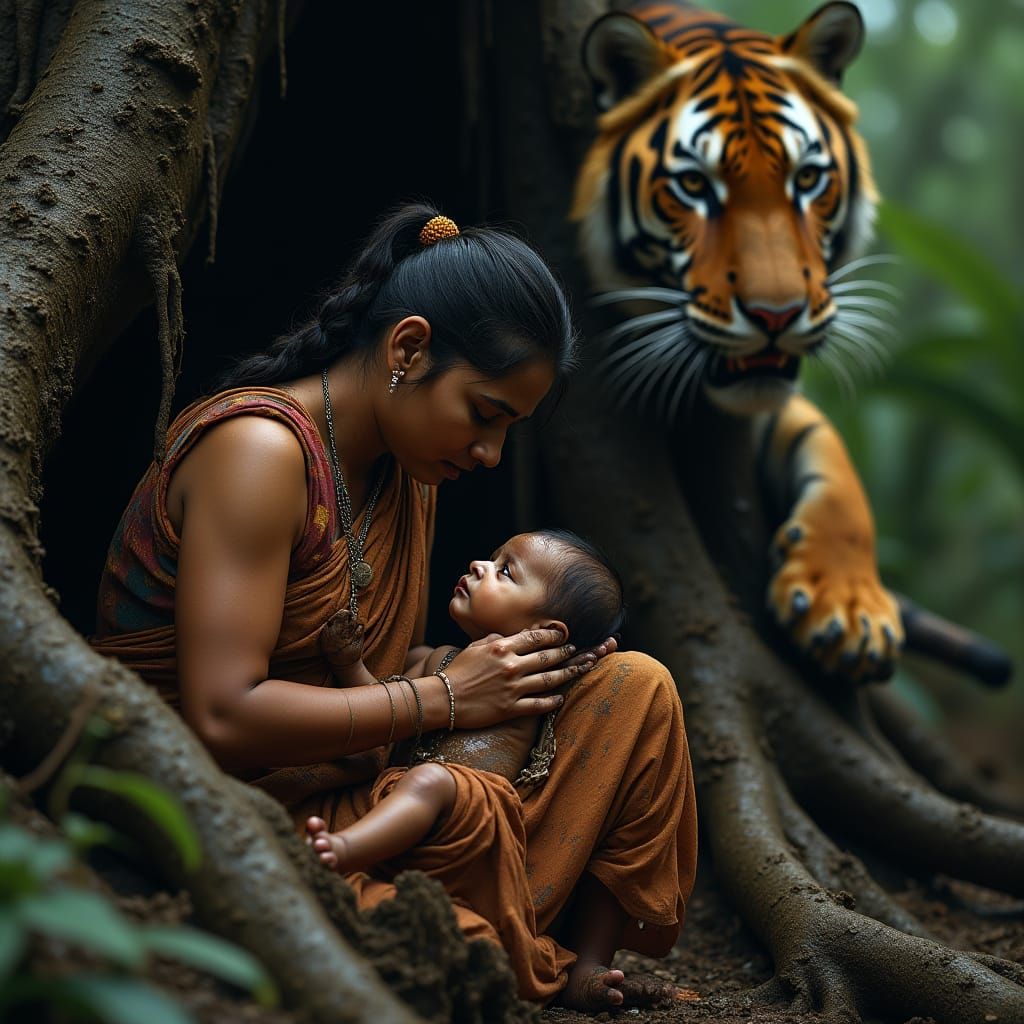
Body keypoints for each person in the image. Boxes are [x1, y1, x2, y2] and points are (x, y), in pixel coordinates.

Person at [90, 203, 698, 1010]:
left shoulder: (407, 472)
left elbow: (369, 689)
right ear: (408, 349)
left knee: (634, 688)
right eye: (485, 415)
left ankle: (526, 930)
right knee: (447, 928)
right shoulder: (260, 454)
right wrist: (447, 694)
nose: (489, 455)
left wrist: (523, 672)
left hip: (368, 788)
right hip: (237, 801)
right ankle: (461, 919)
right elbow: (221, 716)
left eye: (509, 429)